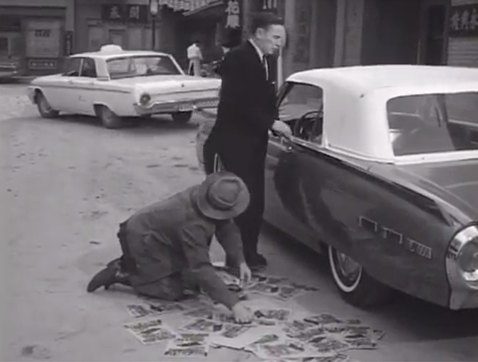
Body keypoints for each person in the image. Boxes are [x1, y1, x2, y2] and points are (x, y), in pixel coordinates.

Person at [87, 172, 253, 323]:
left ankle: (140, 267)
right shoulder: (192, 223)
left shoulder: (210, 196)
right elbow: (200, 267)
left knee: (194, 285)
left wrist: (240, 261)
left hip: (166, 236)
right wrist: (234, 305)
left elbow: (227, 228)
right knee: (173, 291)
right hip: (141, 237)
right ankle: (123, 272)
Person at [203, 12, 291, 270]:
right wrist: (271, 123)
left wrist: (275, 122)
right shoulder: (238, 58)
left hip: (255, 143)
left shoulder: (268, 60)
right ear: (259, 33)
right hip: (232, 143)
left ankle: (250, 253)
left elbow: (265, 100)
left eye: (282, 40)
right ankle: (235, 258)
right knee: (236, 202)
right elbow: (238, 102)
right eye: (275, 37)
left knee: (255, 202)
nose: (279, 44)